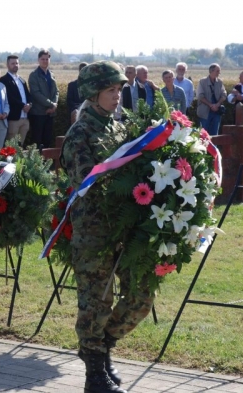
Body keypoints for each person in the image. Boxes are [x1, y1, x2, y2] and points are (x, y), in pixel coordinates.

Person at [62, 61, 154, 393]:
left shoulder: (118, 128)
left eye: (119, 91)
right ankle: (95, 376)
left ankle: (102, 350)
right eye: (110, 91)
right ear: (93, 93)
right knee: (95, 303)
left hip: (124, 229)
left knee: (142, 296)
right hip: (94, 233)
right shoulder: (80, 133)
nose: (117, 97)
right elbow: (84, 180)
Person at [28, 49, 59, 149]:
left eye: (47, 59)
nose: (45, 61)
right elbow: (36, 94)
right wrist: (51, 104)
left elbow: (56, 92)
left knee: (47, 140)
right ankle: (35, 164)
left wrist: (54, 104)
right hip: (38, 113)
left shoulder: (52, 74)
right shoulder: (33, 75)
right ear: (38, 60)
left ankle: (46, 164)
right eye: (43, 59)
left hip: (50, 113)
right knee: (37, 142)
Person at [0, 55, 32, 146]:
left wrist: (29, 104)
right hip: (14, 119)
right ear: (7, 65)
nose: (15, 65)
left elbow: (28, 95)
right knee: (10, 147)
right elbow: (9, 97)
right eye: (12, 63)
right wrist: (23, 106)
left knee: (20, 147)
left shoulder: (22, 80)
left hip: (25, 118)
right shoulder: (4, 80)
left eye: (17, 63)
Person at [197, 63, 227, 136]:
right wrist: (210, 105)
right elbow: (200, 96)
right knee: (203, 135)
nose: (219, 73)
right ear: (211, 71)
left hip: (216, 113)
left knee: (214, 135)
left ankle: (214, 147)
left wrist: (217, 104)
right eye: (217, 71)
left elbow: (224, 94)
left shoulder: (219, 82)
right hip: (205, 112)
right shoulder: (202, 82)